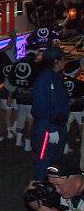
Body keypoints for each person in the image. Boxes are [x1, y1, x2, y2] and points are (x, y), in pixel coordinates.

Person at [31, 46, 70, 179]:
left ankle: (51, 189)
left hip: (57, 125)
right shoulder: (45, 79)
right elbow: (41, 106)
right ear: (56, 62)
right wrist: (51, 128)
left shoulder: (55, 77)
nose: (65, 62)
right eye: (63, 59)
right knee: (44, 162)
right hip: (48, 128)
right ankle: (39, 191)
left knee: (55, 161)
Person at [7, 47, 40, 152]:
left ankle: (18, 140)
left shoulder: (17, 64)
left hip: (19, 95)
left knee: (21, 117)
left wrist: (10, 95)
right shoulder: (37, 66)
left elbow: (11, 81)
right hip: (32, 96)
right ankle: (27, 144)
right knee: (30, 120)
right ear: (36, 54)